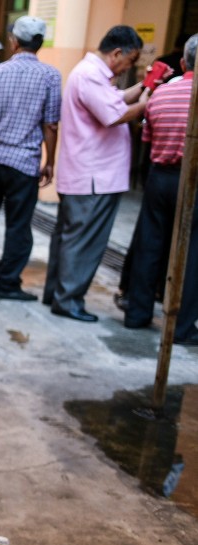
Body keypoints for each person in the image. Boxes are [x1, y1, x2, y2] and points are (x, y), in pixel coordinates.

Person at [43, 26, 150, 322]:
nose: (130, 67)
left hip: (88, 174)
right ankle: (68, 299)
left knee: (68, 238)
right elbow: (114, 114)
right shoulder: (90, 75)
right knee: (84, 242)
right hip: (93, 177)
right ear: (117, 53)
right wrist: (147, 105)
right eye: (130, 60)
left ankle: (57, 293)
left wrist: (142, 89)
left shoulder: (94, 75)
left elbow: (114, 101)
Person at [0, 16, 61, 300]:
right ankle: (6, 283)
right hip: (23, 163)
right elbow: (50, 125)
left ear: (13, 41)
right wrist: (50, 161)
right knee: (18, 226)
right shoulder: (51, 76)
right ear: (39, 44)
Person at [123, 33, 198, 345]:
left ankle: (137, 313)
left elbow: (147, 140)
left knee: (150, 243)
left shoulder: (162, 93)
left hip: (159, 176)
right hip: (193, 181)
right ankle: (181, 326)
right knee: (192, 250)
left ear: (182, 62)